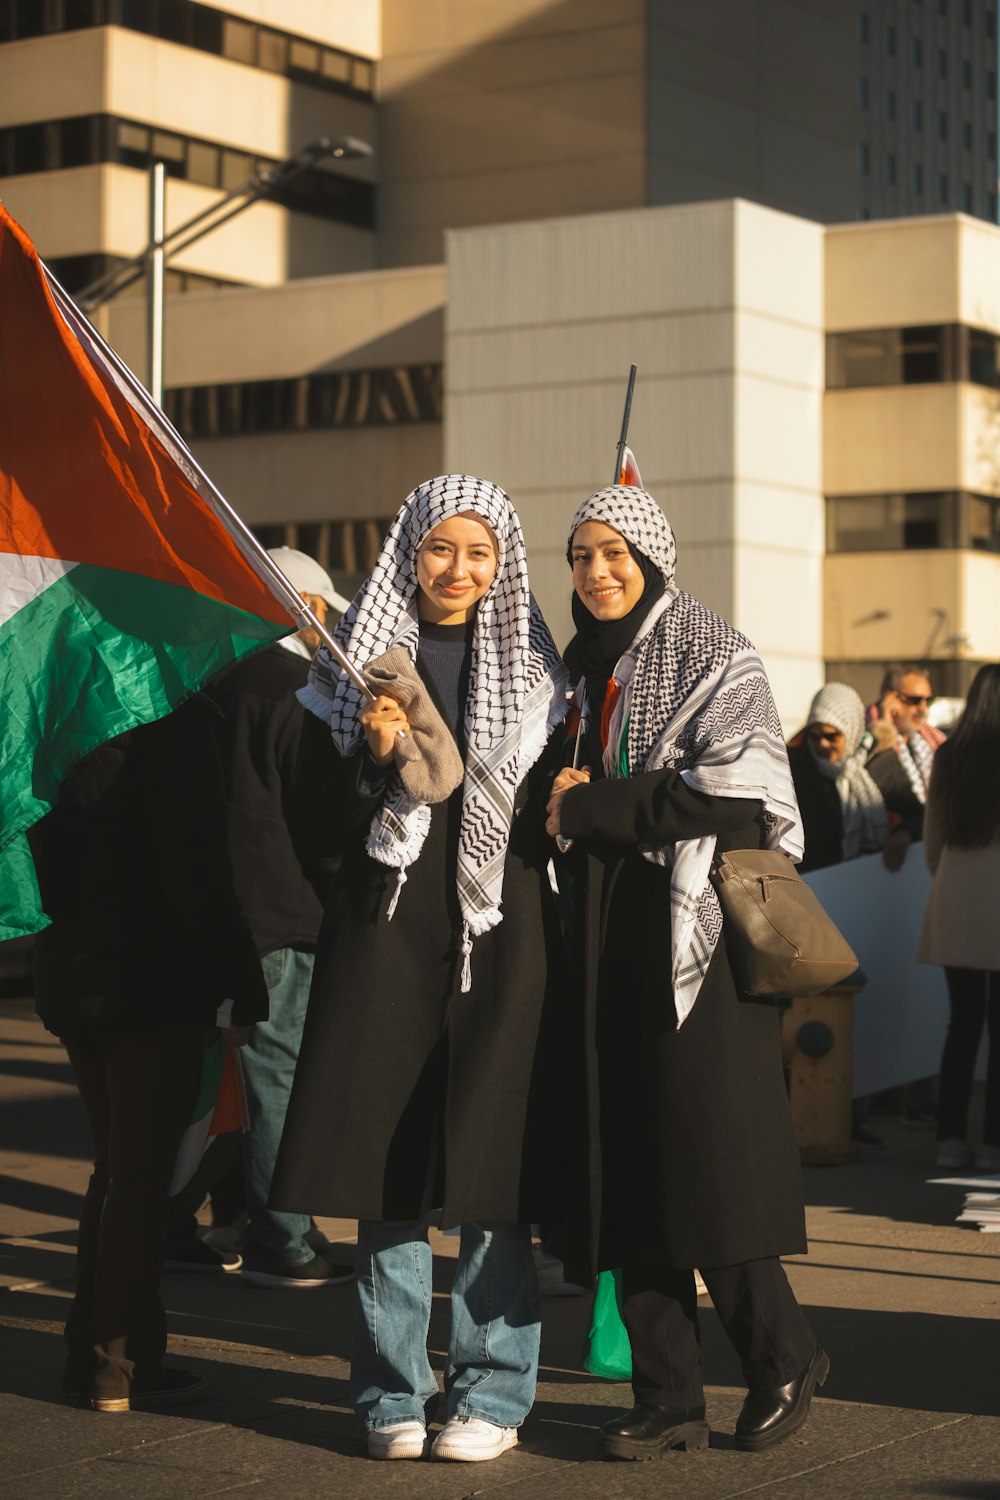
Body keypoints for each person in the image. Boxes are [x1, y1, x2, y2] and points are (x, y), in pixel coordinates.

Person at [271, 474, 570, 1463]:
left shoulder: (536, 663)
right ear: (408, 548)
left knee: (492, 1165)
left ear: (503, 564)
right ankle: (391, 1393)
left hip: (502, 932)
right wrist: (366, 760)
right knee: (383, 1167)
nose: (459, 569)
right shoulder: (353, 661)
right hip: (385, 935)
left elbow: (551, 813)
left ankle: (491, 1392)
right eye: (441, 547)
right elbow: (310, 829)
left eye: (480, 552)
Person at [546, 484, 826, 1458]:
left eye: (615, 552)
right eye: (581, 555)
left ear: (654, 558)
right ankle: (666, 1394)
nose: (596, 571)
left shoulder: (714, 651)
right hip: (599, 945)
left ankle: (780, 1353)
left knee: (707, 1162)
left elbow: (735, 793)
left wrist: (595, 808)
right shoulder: (574, 671)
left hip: (693, 950)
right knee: (625, 1167)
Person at [29, 699, 268, 1413]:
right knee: (139, 1180)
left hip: (75, 974)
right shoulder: (175, 727)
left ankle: (94, 1354)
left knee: (114, 1173)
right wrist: (242, 984)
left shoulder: (57, 718)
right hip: (153, 983)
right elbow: (198, 872)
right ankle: (116, 1364)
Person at [203, 546, 354, 1287]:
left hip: (226, 911)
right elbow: (321, 822)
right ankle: (283, 1235)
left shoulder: (213, 684)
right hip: (287, 914)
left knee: (227, 1078)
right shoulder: (297, 690)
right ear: (308, 607)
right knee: (277, 1078)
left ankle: (255, 1218)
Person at [918, 664, 1000, 1172]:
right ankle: (995, 1144)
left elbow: (934, 839)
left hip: (957, 896)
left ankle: (950, 1138)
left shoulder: (949, 756)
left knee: (962, 1022)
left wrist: (947, 878)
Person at [787, 682, 889, 873]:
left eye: (831, 736)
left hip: (866, 877)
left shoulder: (874, 761)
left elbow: (909, 807)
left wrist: (906, 833)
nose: (822, 744)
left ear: (851, 729)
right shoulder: (794, 768)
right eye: (814, 736)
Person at [865, 664, 943, 873]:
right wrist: (884, 728)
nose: (923, 708)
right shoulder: (866, 740)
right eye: (915, 700)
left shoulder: (932, 741)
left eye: (929, 700)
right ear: (890, 699)